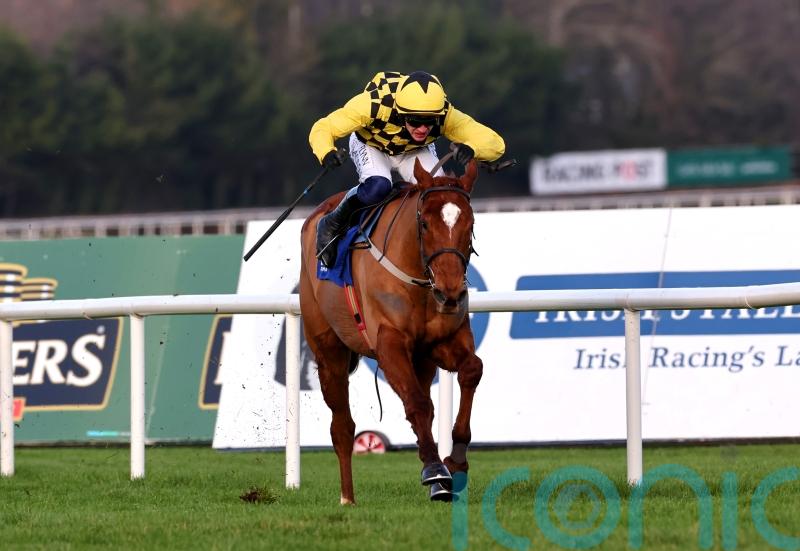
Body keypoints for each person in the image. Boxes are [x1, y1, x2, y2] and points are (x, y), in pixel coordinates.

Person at [309, 70, 505, 267]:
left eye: (429, 122)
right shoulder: (373, 104)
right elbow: (324, 127)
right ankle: (332, 222)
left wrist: (473, 148)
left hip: (413, 150)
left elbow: (496, 143)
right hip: (371, 145)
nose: (422, 129)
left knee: (440, 197)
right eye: (414, 121)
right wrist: (326, 152)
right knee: (378, 187)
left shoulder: (445, 113)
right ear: (400, 113)